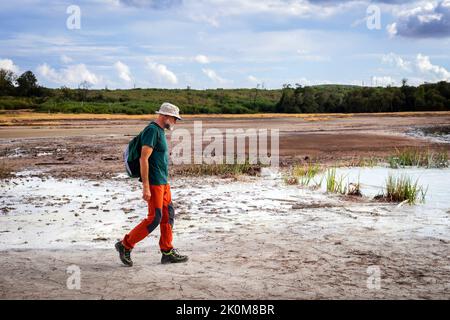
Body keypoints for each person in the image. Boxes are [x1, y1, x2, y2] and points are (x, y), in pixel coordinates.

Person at [115, 102, 188, 266]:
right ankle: (125, 245)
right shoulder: (151, 130)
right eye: (174, 118)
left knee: (168, 215)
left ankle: (167, 251)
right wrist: (146, 186)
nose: (175, 122)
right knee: (154, 218)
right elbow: (143, 159)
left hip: (163, 182)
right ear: (165, 116)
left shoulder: (160, 131)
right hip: (154, 183)